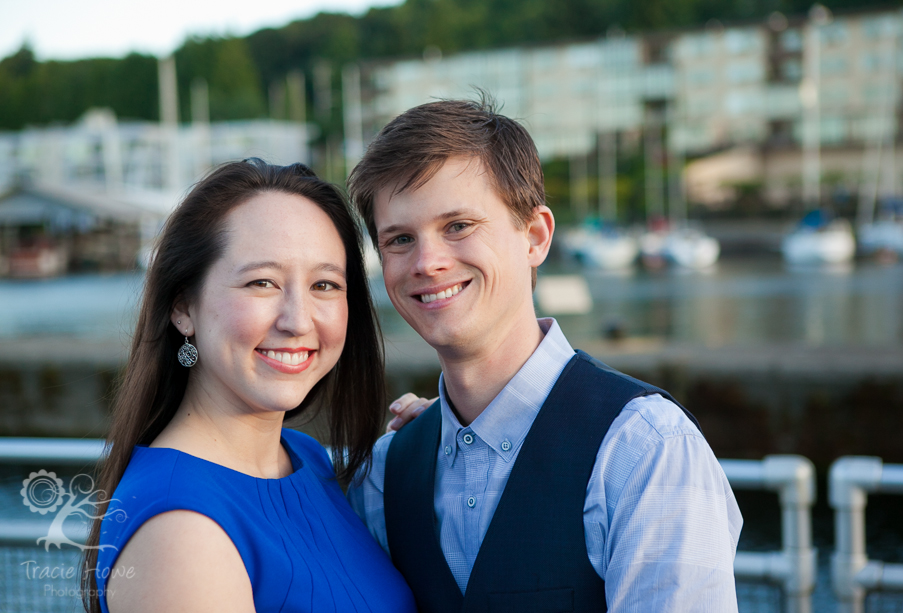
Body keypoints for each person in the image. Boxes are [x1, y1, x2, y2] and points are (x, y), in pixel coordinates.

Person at [347, 97, 743, 612]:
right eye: (399, 239)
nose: (427, 262)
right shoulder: (386, 473)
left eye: (458, 226)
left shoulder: (644, 450)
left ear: (535, 237)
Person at [82, 160, 417, 613]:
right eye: (262, 282)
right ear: (183, 306)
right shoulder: (181, 531)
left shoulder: (305, 460)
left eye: (324, 284)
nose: (298, 320)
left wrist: (435, 443)